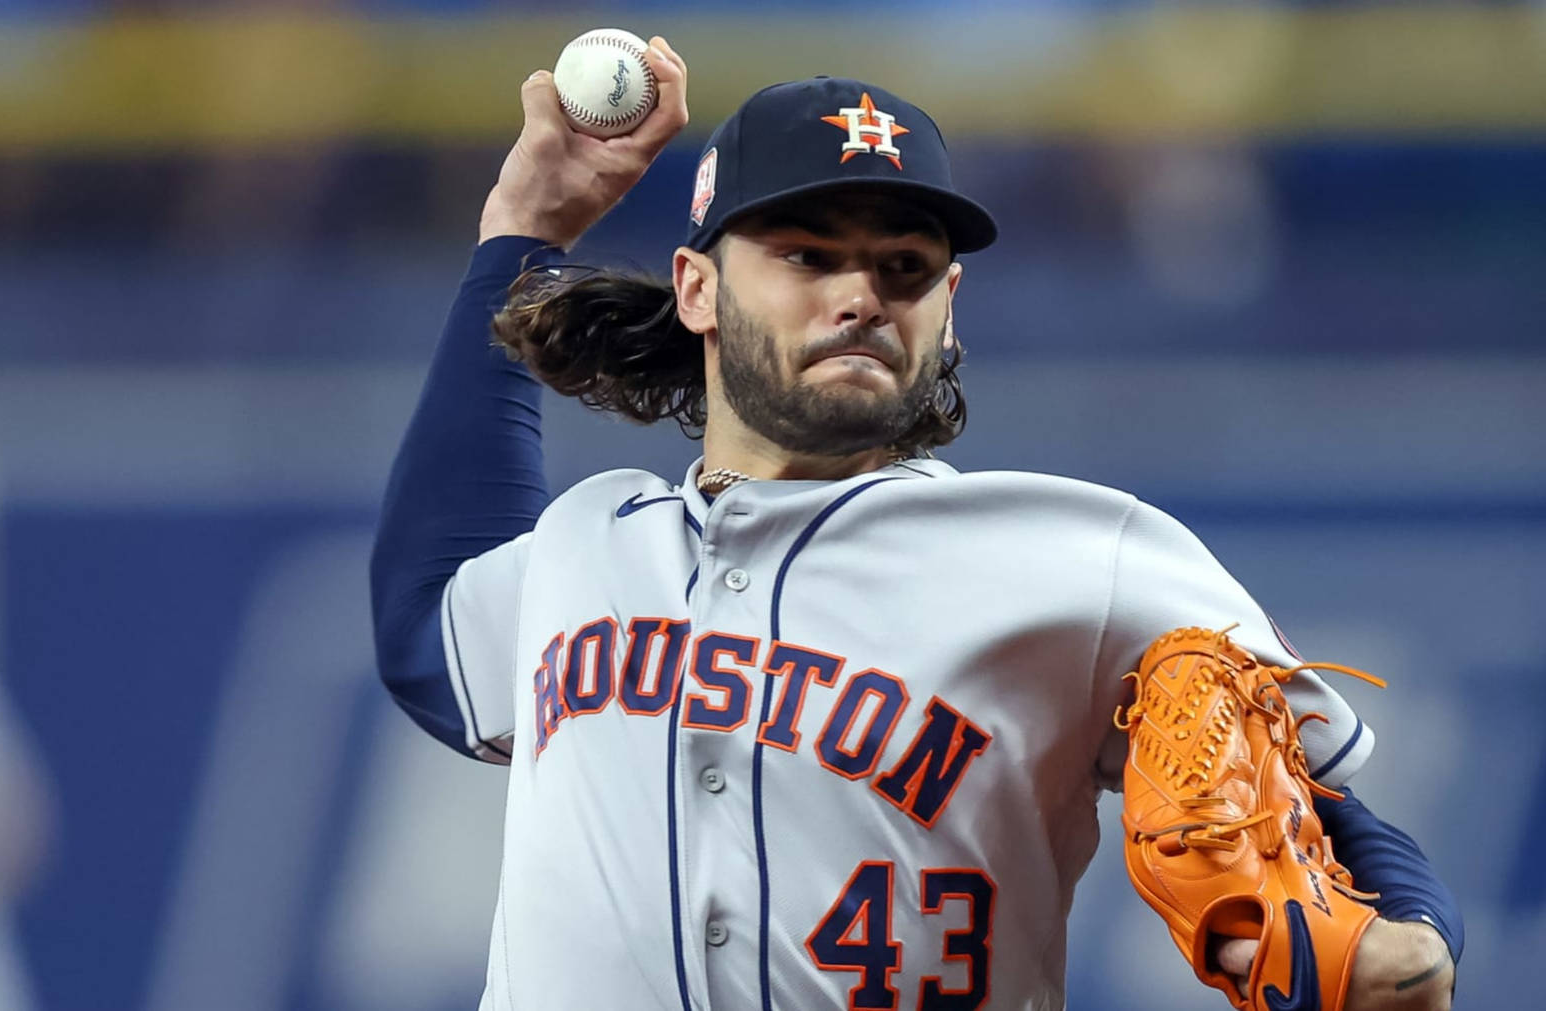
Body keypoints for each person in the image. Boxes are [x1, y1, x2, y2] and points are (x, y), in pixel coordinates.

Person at [371, 38, 1462, 1010]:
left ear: (948, 314)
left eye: (905, 267)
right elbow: (430, 618)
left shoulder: (1078, 560)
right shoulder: (586, 543)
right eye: (807, 255)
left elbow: (1327, 812)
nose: (861, 294)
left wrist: (1409, 945)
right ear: (697, 289)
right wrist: (521, 233)